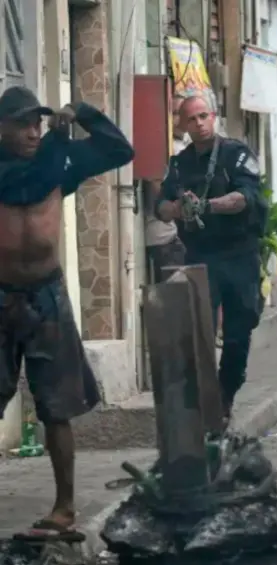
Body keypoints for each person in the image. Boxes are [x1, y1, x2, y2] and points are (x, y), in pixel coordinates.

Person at [0, 86, 134, 538]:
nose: (34, 131)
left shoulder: (59, 161)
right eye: (22, 124)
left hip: (46, 295)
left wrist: (84, 113)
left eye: (37, 122)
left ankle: (64, 508)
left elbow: (120, 149)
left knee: (56, 407)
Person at [155, 95, 266, 423]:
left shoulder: (237, 154)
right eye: (192, 118)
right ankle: (204, 404)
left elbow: (245, 198)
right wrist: (177, 208)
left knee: (238, 332)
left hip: (239, 255)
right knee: (198, 331)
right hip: (201, 255)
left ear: (214, 117)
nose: (199, 123)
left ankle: (226, 393)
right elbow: (160, 206)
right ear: (184, 125)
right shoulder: (179, 164)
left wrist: (207, 205)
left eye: (204, 116)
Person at [145, 93, 187, 283]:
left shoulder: (183, 146)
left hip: (174, 237)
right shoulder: (164, 148)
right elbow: (157, 187)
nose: (181, 119)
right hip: (164, 238)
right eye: (176, 113)